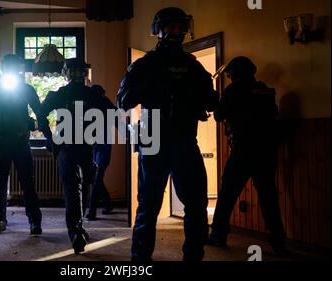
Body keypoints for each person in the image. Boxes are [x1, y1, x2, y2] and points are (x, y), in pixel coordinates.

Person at [117, 7, 219, 261]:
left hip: (185, 139)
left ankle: (193, 257)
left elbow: (212, 102)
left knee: (196, 205)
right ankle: (140, 260)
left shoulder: (192, 67)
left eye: (180, 27)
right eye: (171, 27)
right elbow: (123, 101)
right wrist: (150, 85)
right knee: (148, 207)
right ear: (159, 31)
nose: (177, 32)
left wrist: (204, 95)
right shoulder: (145, 64)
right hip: (153, 141)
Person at [207, 56, 286, 254]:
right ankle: (278, 243)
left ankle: (218, 235)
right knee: (268, 196)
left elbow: (218, 116)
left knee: (227, 194)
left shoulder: (232, 91)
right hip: (266, 150)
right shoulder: (264, 89)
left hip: (243, 150)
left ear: (234, 74)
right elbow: (273, 114)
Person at [39, 59, 114, 254]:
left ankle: (78, 227)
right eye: (75, 71)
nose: (78, 75)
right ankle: (76, 231)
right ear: (69, 73)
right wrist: (50, 138)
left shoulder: (87, 95)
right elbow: (40, 114)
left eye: (81, 71)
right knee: (75, 187)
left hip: (81, 148)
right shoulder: (66, 94)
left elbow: (115, 115)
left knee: (82, 185)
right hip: (69, 147)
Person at [0, 54, 42, 235]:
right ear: (3, 69)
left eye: (14, 67)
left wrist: (47, 134)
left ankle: (34, 222)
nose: (11, 70)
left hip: (20, 142)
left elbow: (40, 112)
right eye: (7, 67)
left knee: (27, 184)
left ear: (18, 69)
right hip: (0, 141)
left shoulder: (26, 89)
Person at [86, 85, 114, 221]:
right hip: (95, 144)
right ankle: (107, 203)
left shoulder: (102, 103)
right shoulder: (100, 102)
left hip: (102, 145)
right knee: (96, 177)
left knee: (97, 178)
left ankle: (92, 210)